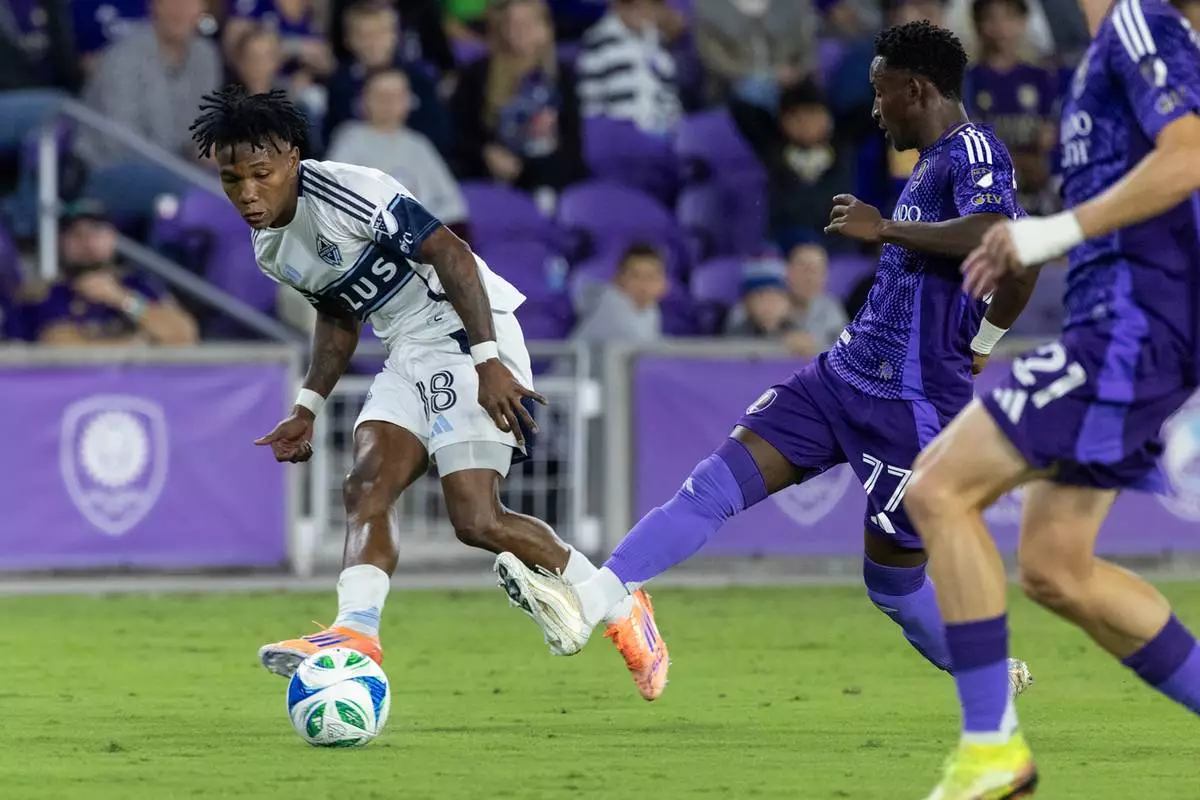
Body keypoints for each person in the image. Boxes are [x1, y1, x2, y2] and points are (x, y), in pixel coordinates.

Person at [494, 21, 1042, 702]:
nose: (875, 110)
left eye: (880, 93)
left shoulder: (974, 149)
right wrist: (981, 337)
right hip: (839, 379)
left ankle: (986, 674)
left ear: (915, 88)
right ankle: (597, 602)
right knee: (709, 489)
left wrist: (904, 251)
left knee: (894, 587)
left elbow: (1007, 242)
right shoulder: (928, 163)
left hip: (913, 408)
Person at [188, 85, 624, 678]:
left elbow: (452, 254)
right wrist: (307, 406)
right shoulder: (271, 248)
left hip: (464, 330)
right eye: (231, 179)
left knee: (477, 519)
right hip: (407, 350)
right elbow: (339, 316)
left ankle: (621, 607)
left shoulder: (347, 191)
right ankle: (356, 633)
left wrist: (487, 360)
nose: (247, 192)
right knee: (365, 485)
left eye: (260, 174)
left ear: (292, 159)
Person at [902, 0, 1200, 795]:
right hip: (1136, 327)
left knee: (936, 489)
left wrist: (1052, 231)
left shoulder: (1139, 19)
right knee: (1055, 566)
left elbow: (1189, 157)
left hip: (1130, 329)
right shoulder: (1122, 44)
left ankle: (991, 750)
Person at [448, 0, 585, 194]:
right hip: (490, 178)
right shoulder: (477, 75)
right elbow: (457, 133)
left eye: (527, 23)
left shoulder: (563, 77)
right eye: (512, 24)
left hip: (550, 179)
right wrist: (485, 152)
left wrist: (526, 170)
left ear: (545, 29)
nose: (519, 31)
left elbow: (572, 145)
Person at [26, 199, 199, 346]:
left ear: (112, 238)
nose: (87, 241)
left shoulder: (138, 285)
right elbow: (62, 349)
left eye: (96, 231)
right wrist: (136, 345)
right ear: (60, 243)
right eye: (75, 234)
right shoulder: (48, 294)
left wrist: (121, 299)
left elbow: (184, 335)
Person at [327, 67, 470, 240]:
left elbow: (453, 205)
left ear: (409, 101)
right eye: (381, 95)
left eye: (396, 96)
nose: (388, 102)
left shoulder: (419, 144)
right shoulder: (350, 137)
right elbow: (332, 194)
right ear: (363, 100)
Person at [79, 0, 222, 165]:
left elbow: (204, 130)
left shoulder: (206, 55)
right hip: (109, 168)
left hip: (177, 168)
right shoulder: (122, 57)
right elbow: (120, 145)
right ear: (153, 5)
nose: (180, 10)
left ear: (204, 7)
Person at [965, 0, 1058, 213]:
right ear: (977, 24)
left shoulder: (1041, 77)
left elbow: (1049, 138)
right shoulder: (969, 80)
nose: (1001, 28)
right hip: (986, 197)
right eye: (991, 18)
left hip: (1036, 195)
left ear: (1023, 21)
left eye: (1009, 17)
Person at [570, 243, 667, 345]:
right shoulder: (611, 303)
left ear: (664, 283)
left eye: (651, 277)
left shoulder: (651, 308)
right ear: (618, 279)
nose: (644, 283)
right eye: (635, 276)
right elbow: (641, 347)